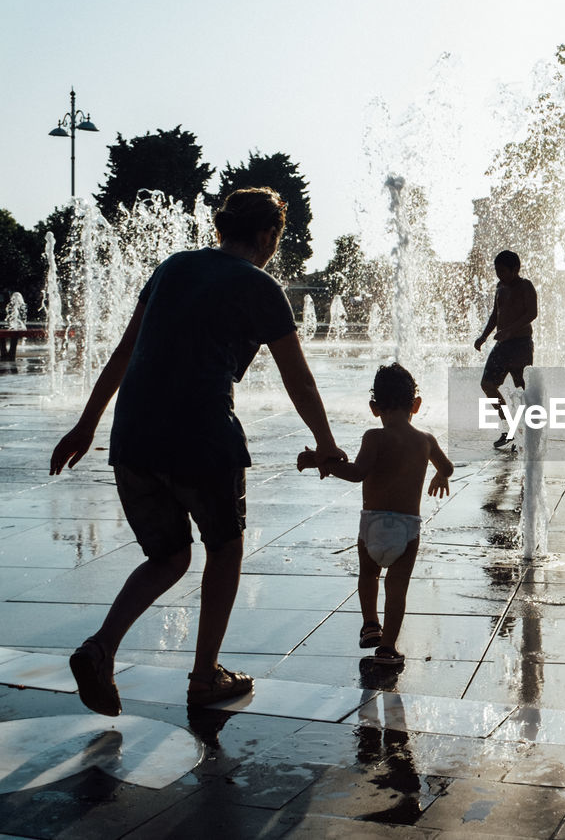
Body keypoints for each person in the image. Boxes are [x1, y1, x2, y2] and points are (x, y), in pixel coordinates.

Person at [49, 187, 345, 715]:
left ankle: (100, 648)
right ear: (265, 234)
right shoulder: (261, 286)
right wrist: (325, 443)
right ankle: (205, 676)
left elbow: (125, 350)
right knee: (224, 547)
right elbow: (297, 377)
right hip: (202, 433)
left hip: (134, 435)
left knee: (168, 556)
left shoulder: (172, 267)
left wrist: (86, 424)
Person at [297, 362, 452, 666]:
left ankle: (370, 625)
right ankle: (388, 648)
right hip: (407, 530)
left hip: (372, 526)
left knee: (368, 574)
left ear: (374, 408)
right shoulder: (426, 441)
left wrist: (321, 461)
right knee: (397, 589)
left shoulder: (374, 438)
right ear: (416, 405)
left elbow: (356, 474)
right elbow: (447, 467)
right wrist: (441, 476)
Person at [474, 250, 537, 449]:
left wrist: (510, 330)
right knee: (487, 384)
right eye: (496, 270)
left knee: (522, 389)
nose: (498, 275)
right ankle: (508, 426)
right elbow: (495, 314)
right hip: (502, 345)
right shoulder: (500, 286)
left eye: (502, 271)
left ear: (515, 269)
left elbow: (532, 313)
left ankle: (530, 431)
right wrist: (483, 336)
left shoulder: (525, 286)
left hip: (520, 344)